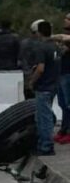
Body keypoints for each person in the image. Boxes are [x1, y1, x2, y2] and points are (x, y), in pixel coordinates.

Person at [29, 20, 61, 156]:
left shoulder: (41, 47)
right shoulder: (55, 47)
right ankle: (42, 143)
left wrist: (31, 81)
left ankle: (46, 147)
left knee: (44, 117)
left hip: (43, 87)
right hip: (54, 85)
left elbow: (41, 69)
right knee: (42, 116)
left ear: (39, 32)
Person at [49, 13, 70, 144]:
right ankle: (64, 128)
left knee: (68, 104)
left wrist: (49, 36)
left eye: (68, 19)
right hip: (62, 73)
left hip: (68, 74)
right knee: (63, 104)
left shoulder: (66, 37)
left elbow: (63, 38)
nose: (65, 20)